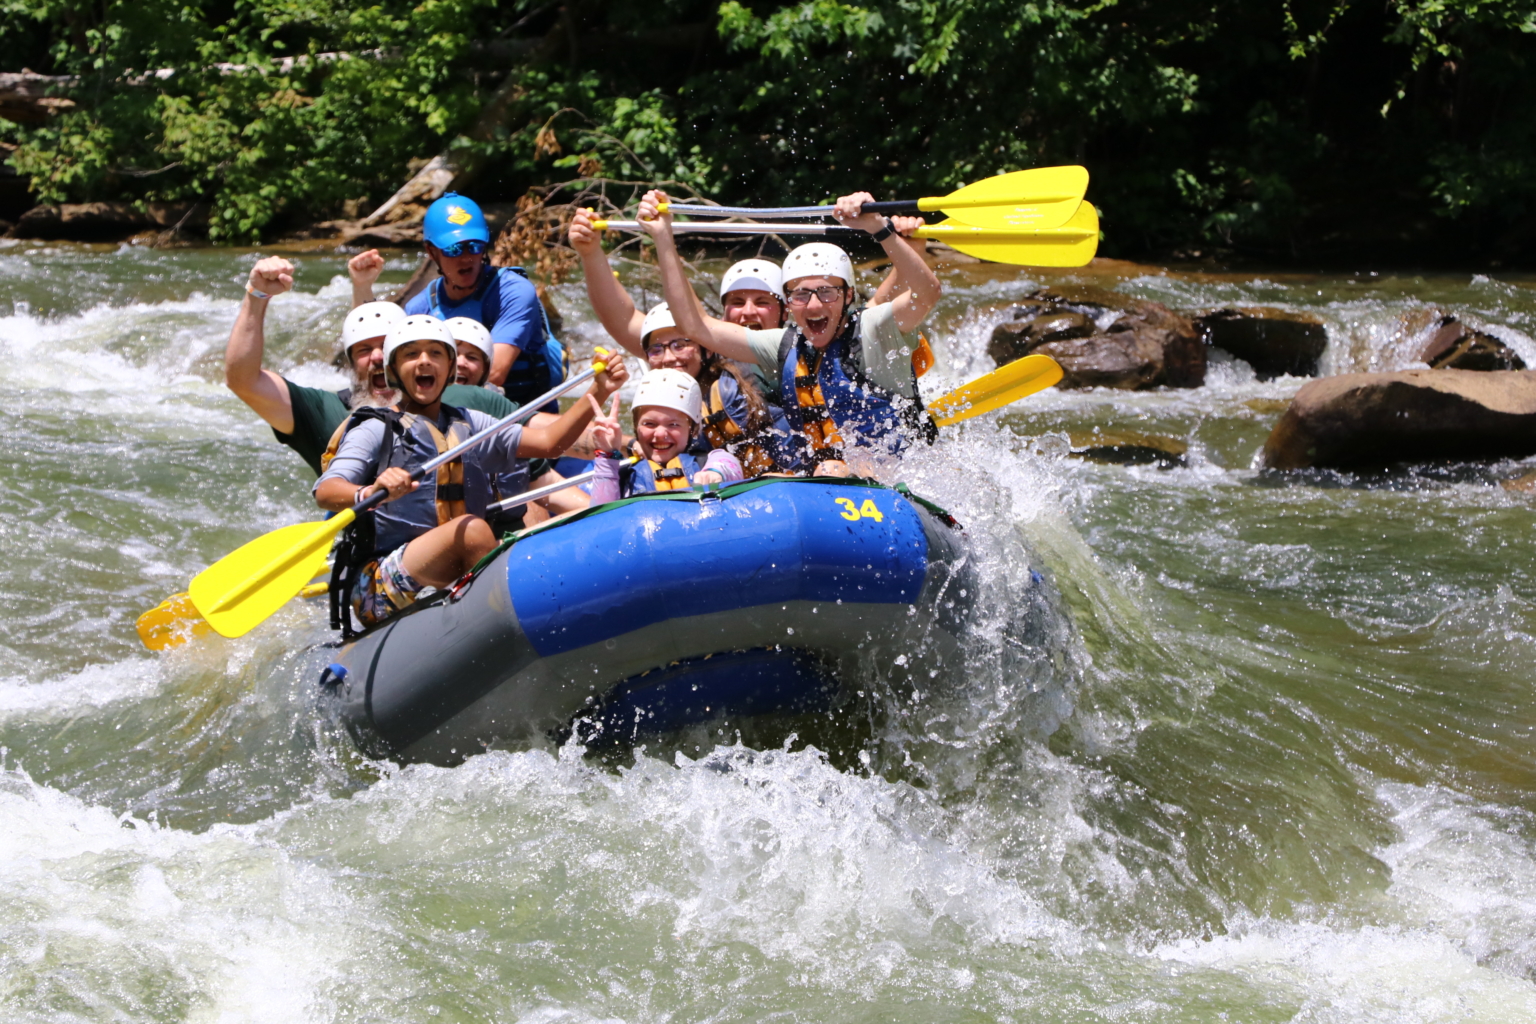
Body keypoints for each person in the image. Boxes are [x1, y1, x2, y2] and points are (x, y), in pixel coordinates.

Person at [314, 316, 627, 630]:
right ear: (393, 371)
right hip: (380, 583)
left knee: (514, 534)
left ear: (450, 368)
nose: (424, 361)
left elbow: (549, 443)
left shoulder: (472, 424)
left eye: (435, 354)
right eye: (411, 354)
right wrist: (368, 492)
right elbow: (326, 491)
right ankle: (506, 625)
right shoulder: (375, 429)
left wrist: (598, 391)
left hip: (452, 571)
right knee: (472, 530)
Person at [638, 189, 943, 477]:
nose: (812, 305)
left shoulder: (874, 328)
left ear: (849, 296)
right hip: (829, 480)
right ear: (788, 305)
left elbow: (927, 292)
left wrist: (880, 229)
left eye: (826, 292)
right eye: (799, 295)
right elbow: (696, 327)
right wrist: (663, 237)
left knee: (834, 470)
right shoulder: (785, 345)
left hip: (903, 476)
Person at [226, 256, 525, 476]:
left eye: (387, 348)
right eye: (364, 351)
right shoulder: (328, 412)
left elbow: (555, 441)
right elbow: (244, 381)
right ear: (351, 363)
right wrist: (257, 296)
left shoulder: (462, 400)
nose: (378, 357)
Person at [403, 193, 565, 409]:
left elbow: (494, 374)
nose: (467, 257)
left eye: (475, 246)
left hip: (525, 414)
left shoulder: (513, 292)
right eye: (454, 249)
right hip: (447, 412)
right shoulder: (419, 309)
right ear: (432, 252)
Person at [584, 369, 742, 501]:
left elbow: (729, 464)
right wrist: (606, 456)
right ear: (636, 428)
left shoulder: (708, 462)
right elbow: (602, 512)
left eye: (673, 425)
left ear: (693, 430)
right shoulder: (623, 476)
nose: (660, 434)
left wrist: (714, 474)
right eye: (649, 424)